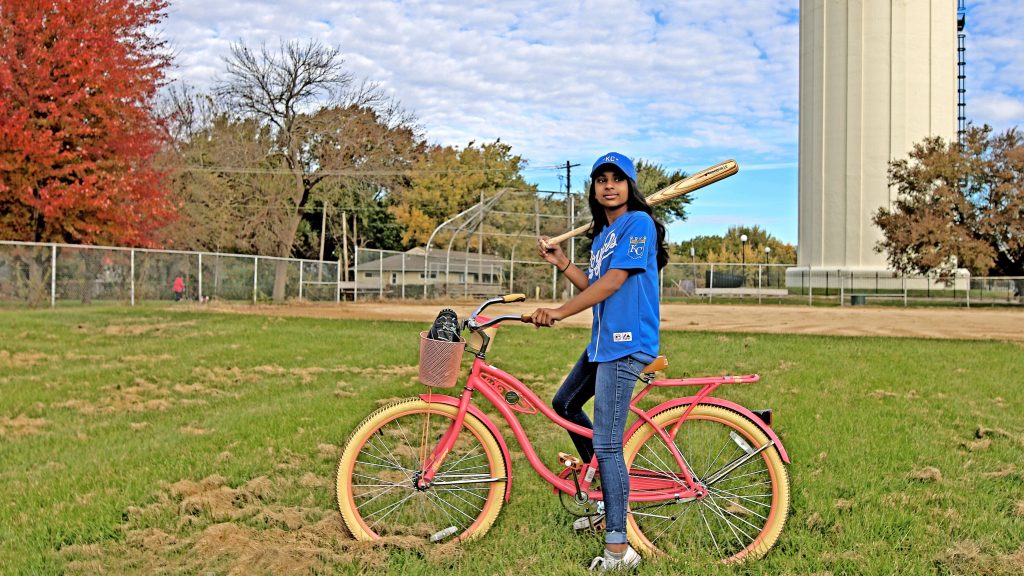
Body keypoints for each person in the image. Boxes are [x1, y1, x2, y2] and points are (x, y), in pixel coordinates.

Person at [530, 152, 668, 571]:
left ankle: (618, 548)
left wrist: (558, 311)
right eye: (601, 180)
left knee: (608, 444)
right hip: (603, 343)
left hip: (628, 343)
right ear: (593, 189)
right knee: (566, 405)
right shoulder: (604, 235)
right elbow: (594, 281)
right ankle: (604, 495)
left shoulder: (638, 224)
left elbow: (614, 282)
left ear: (630, 186)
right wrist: (563, 263)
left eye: (617, 179)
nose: (609, 186)